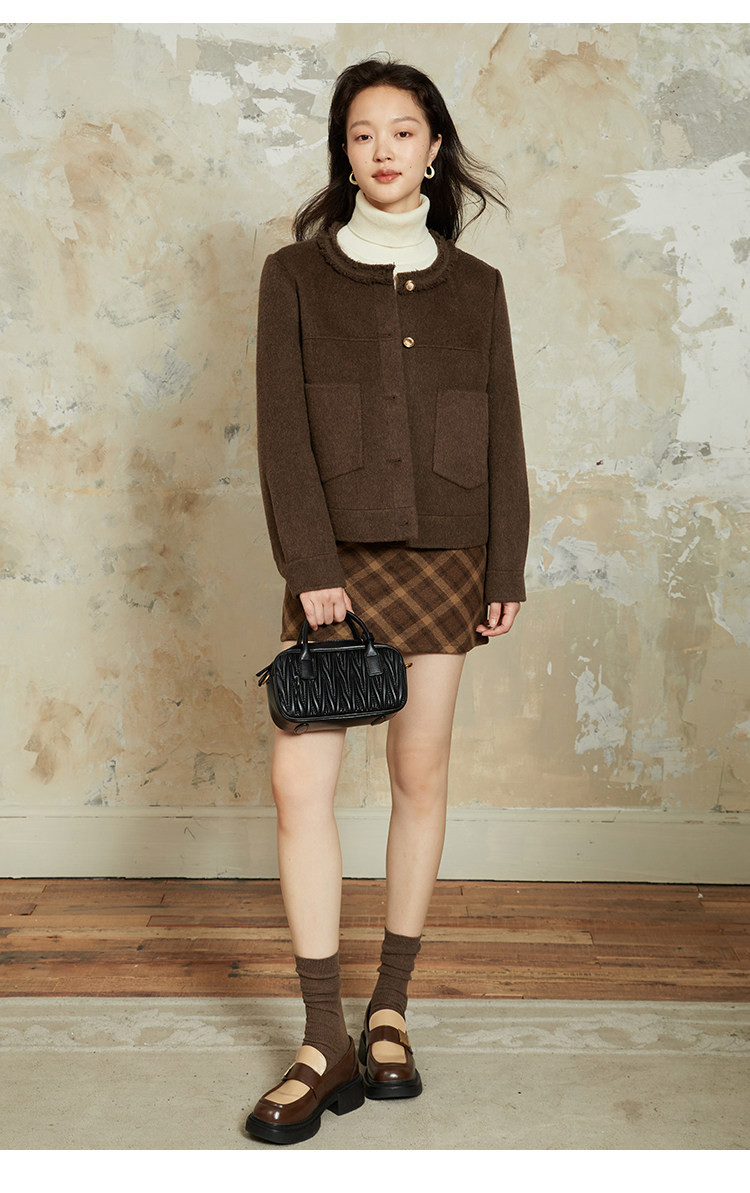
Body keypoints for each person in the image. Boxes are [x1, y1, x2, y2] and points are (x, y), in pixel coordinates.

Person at [245, 55, 529, 1145]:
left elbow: (502, 429)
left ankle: (391, 1006)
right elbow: (281, 431)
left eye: (402, 131)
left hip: (450, 554)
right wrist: (308, 563)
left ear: (434, 148)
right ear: (343, 151)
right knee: (298, 783)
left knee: (420, 775)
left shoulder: (479, 287)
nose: (382, 150)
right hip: (332, 562)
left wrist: (506, 566)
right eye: (362, 133)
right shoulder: (293, 277)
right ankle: (324, 1036)